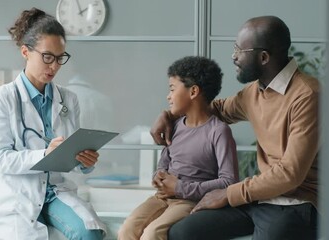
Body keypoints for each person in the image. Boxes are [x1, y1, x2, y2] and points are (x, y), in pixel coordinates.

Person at [150, 16, 319, 240]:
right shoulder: (253, 92)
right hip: (258, 199)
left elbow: (290, 174)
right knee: (183, 232)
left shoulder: (308, 95)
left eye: (239, 50)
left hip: (299, 203)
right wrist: (168, 115)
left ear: (264, 57)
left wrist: (228, 194)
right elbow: (213, 110)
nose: (234, 57)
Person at [0, 8, 106, 240]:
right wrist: (44, 154)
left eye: (60, 58)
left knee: (91, 233)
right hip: (16, 193)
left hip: (55, 192)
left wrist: (85, 162)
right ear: (25, 52)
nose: (55, 65)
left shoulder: (69, 99)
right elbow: (0, 158)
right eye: (47, 57)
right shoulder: (2, 99)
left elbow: (71, 154)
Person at [118, 56, 239, 240]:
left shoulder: (219, 131)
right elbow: (164, 163)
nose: (168, 96)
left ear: (193, 92)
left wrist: (181, 188)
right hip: (162, 197)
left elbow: (228, 181)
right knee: (127, 228)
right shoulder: (173, 126)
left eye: (172, 89)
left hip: (189, 200)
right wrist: (158, 175)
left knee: (152, 234)